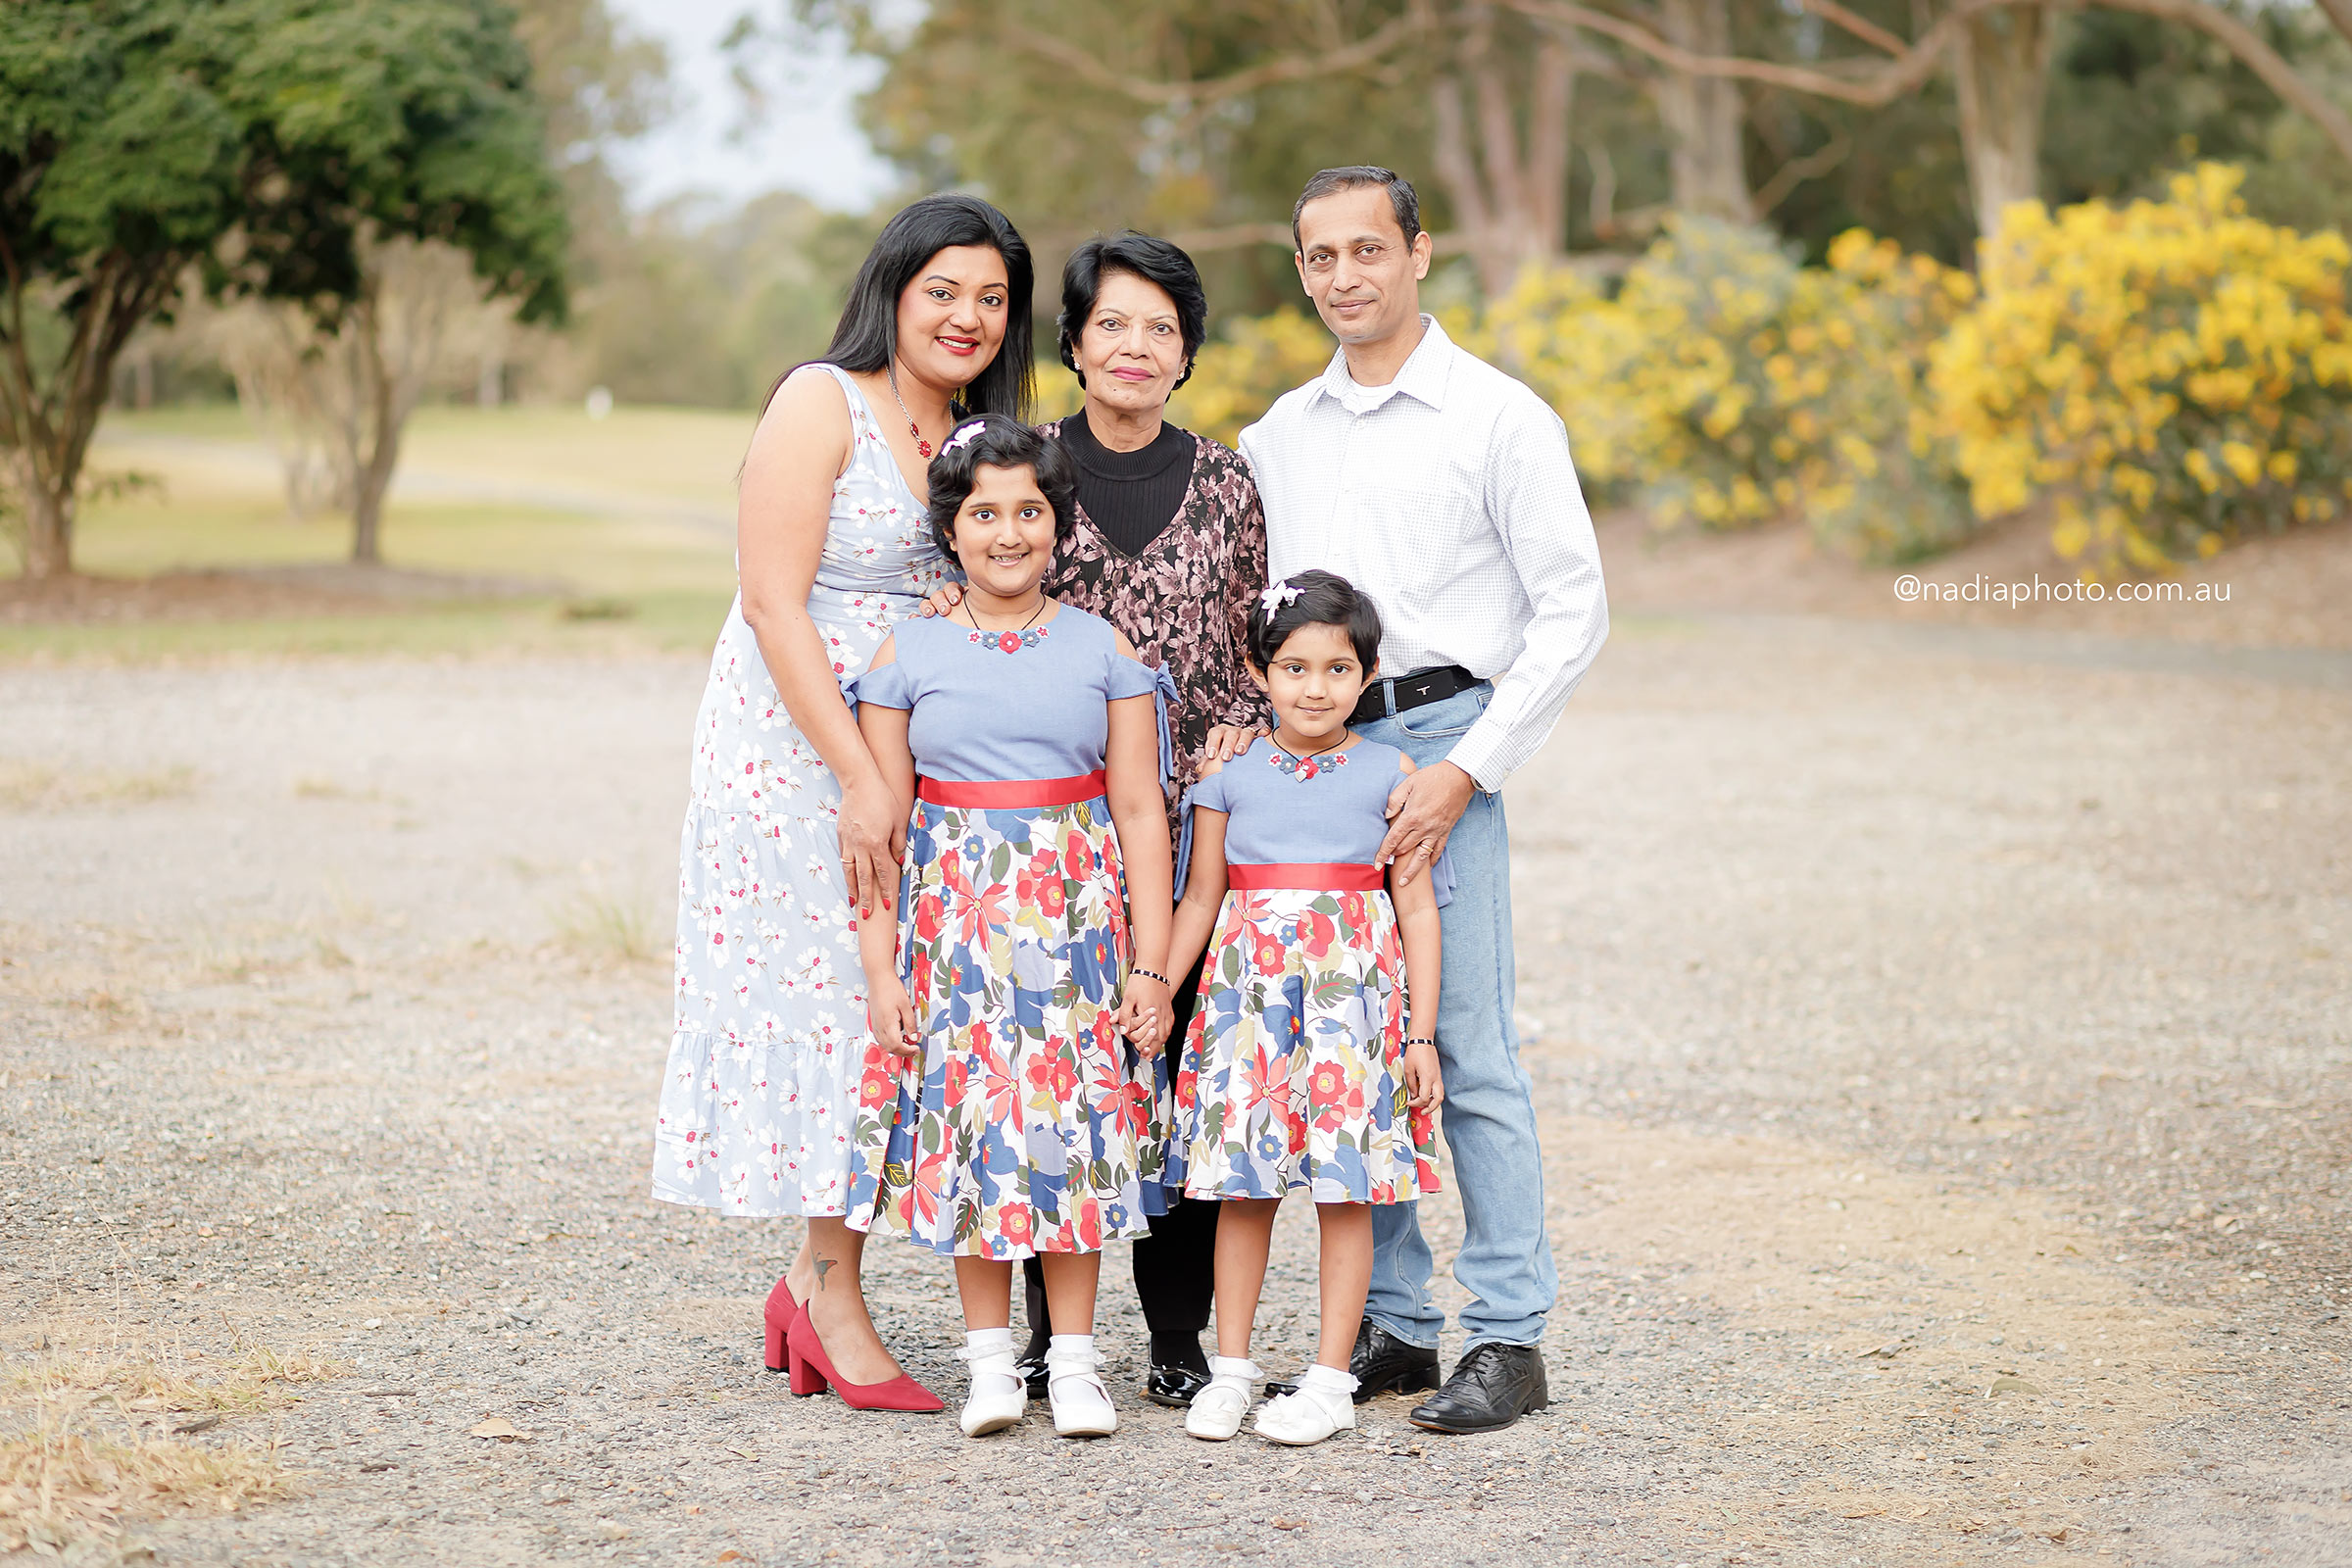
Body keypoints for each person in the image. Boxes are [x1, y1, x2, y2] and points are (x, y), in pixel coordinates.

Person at [1234, 167, 1609, 1435]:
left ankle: (1509, 1335)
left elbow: (1574, 608)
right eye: (1320, 256)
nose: (1346, 276)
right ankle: (1393, 1320)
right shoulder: (1278, 437)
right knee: (1348, 1039)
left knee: (1464, 1045)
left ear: (1420, 253)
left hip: (1447, 738)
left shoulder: (1500, 419)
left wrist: (1467, 768)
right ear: (1302, 271)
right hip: (1319, 758)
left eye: (1368, 250)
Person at [649, 193, 1036, 1414]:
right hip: (795, 746)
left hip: (909, 753)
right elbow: (772, 602)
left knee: (891, 1005)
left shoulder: (977, 430)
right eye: (944, 291)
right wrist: (861, 780)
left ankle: (813, 1284)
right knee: (834, 1007)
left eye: (991, 298)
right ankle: (828, 1297)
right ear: (894, 289)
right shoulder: (822, 400)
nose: (967, 316)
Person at [921, 232, 1269, 1407]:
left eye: (1160, 328)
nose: (1135, 346)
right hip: (1051, 834)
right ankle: (1032, 1343)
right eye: (1111, 324)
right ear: (1073, 344)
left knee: (1170, 1067)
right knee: (1036, 1066)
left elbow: (1241, 650)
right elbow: (985, 586)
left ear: (1185, 353)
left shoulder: (1226, 482)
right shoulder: (1023, 472)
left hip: (1186, 821)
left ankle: (1174, 1336)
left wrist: (1234, 733)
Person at [841, 414, 1178, 1441]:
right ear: (952, 527)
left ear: (1056, 524)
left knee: (1071, 1137)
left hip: (1077, 928)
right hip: (956, 930)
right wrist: (882, 971)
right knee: (976, 1136)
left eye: (1028, 510)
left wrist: (1152, 964)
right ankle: (990, 1363)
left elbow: (1140, 813)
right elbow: (879, 834)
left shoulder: (1101, 647)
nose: (1007, 532)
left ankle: (1073, 1364)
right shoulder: (910, 652)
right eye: (984, 512)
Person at [1163, 570, 1444, 1446]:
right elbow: (1201, 896)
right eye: (1293, 667)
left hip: (1352, 1015)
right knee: (1241, 1191)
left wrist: (1421, 1034)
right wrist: (1157, 992)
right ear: (1259, 671)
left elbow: (1417, 906)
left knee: (1345, 1191)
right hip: (1244, 1008)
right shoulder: (1230, 773)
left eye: (1336, 668)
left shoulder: (1392, 773)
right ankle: (1233, 1370)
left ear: (1365, 676)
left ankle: (1327, 1381)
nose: (1314, 688)